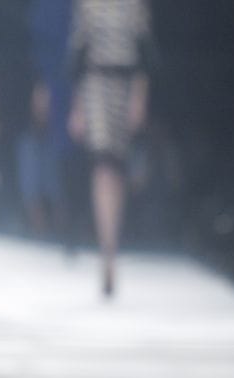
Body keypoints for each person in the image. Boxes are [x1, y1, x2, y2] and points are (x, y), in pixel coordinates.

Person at [67, 0, 152, 294]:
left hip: (126, 86)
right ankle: (107, 254)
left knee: (117, 169)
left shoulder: (135, 5)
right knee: (103, 166)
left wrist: (140, 98)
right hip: (96, 85)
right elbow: (78, 54)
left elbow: (144, 52)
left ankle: (111, 246)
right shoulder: (88, 5)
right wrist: (77, 107)